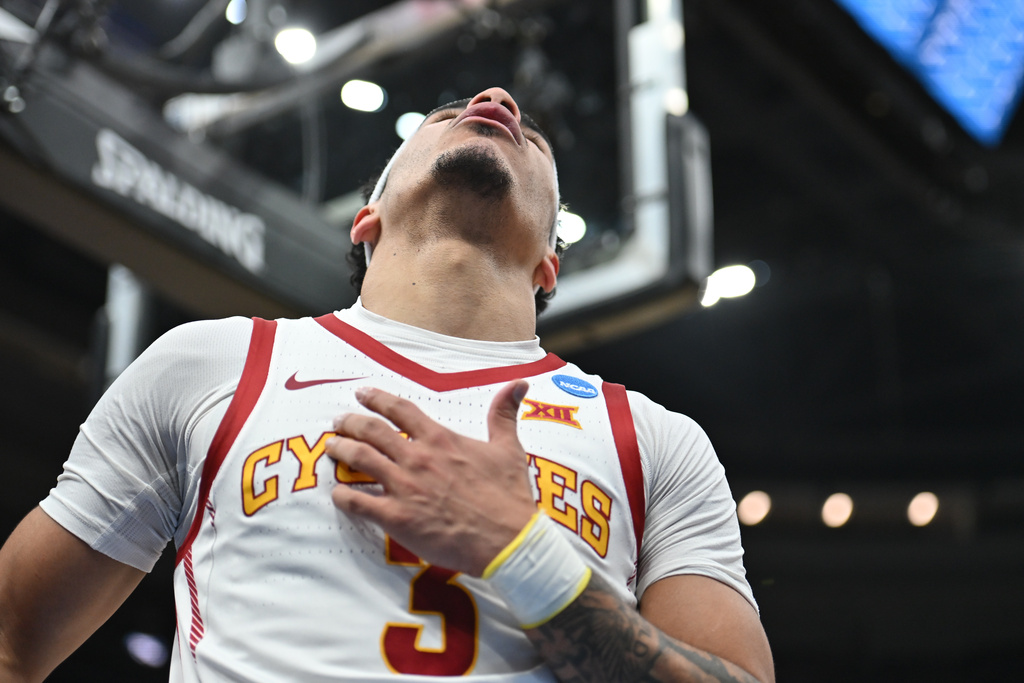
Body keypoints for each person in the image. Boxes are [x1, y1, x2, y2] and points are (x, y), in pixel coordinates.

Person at [0, 87, 774, 682]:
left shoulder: (656, 440)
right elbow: (12, 640)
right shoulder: (215, 364)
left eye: (530, 134)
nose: (495, 104)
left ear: (549, 262)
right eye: (447, 112)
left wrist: (522, 552)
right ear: (365, 218)